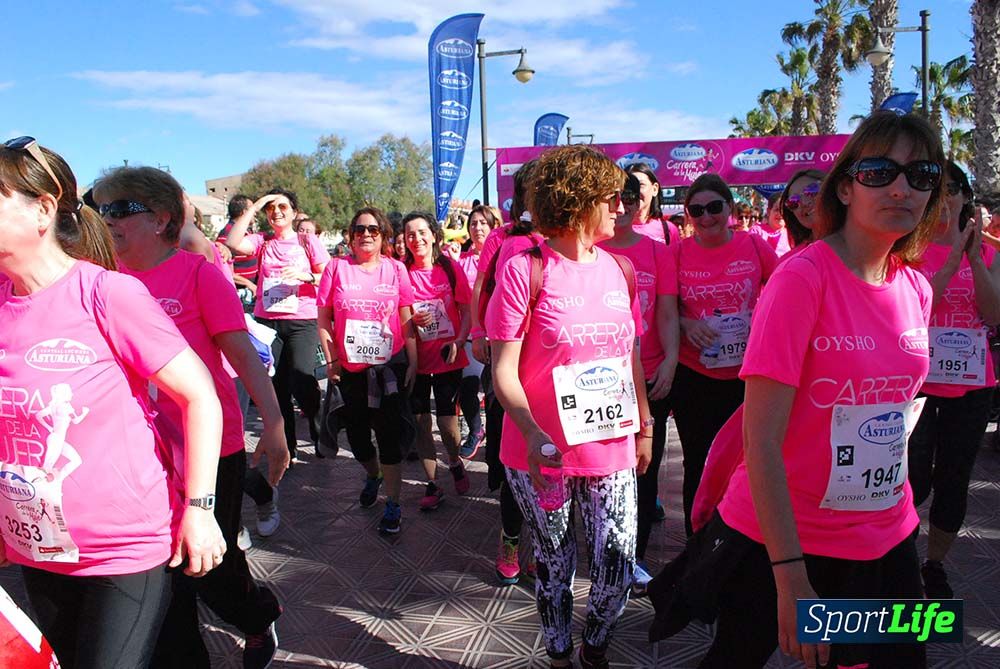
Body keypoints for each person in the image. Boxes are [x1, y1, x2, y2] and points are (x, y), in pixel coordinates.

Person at [657, 111, 943, 668]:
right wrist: (791, 578)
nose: (904, 188)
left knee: (901, 661)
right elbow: (759, 438)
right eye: (882, 171)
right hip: (785, 538)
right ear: (845, 186)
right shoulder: (801, 278)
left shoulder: (916, 287)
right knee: (736, 658)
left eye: (922, 174)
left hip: (887, 531)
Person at [0, 137, 226, 668]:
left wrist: (201, 509)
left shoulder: (107, 294)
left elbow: (201, 396)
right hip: (41, 545)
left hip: (125, 547)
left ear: (43, 209)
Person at [92, 166, 289, 668]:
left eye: (118, 209)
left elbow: (244, 357)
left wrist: (273, 423)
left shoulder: (198, 274)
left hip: (210, 449)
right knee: (169, 581)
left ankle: (259, 612)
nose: (105, 219)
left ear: (160, 219)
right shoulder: (102, 281)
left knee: (212, 572)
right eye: (100, 207)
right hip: (142, 456)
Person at [486, 145, 653, 669]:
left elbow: (630, 355)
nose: (621, 208)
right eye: (612, 198)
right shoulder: (525, 269)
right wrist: (534, 433)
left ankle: (595, 642)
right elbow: (503, 372)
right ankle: (560, 653)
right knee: (556, 568)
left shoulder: (621, 269)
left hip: (610, 446)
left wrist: (645, 425)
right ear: (578, 202)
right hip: (542, 453)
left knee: (616, 567)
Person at [665, 173, 778, 535]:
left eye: (714, 207)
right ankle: (696, 542)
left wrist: (761, 323)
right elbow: (663, 311)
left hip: (746, 378)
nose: (706, 216)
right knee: (698, 464)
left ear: (729, 208)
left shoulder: (755, 245)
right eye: (697, 210)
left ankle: (736, 541)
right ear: (687, 215)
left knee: (744, 462)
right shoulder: (678, 252)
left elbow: (784, 293)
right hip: (695, 375)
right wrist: (686, 323)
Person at [908, 161, 1000, 599]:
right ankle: (899, 552)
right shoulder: (909, 250)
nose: (943, 200)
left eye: (951, 191)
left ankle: (934, 565)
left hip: (971, 385)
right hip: (918, 383)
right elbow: (914, 313)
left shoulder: (990, 253)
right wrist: (946, 268)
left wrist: (975, 259)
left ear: (966, 197)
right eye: (934, 191)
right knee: (912, 476)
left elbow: (994, 315)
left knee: (953, 477)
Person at [598, 173, 678, 595]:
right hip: (602, 385)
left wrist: (672, 359)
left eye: (631, 196)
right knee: (608, 475)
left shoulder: (659, 252)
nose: (624, 204)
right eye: (616, 197)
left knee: (644, 472)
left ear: (643, 201)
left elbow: (666, 312)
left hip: (650, 377)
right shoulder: (593, 252)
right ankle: (607, 551)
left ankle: (635, 557)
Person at [316, 208, 417, 534]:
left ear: (383, 234)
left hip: (389, 367)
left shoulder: (396, 269)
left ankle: (393, 502)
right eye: (359, 229)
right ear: (350, 234)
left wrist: (413, 360)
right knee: (358, 439)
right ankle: (372, 474)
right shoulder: (336, 268)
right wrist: (332, 361)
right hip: (351, 370)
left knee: (388, 437)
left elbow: (406, 318)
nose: (366, 234)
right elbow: (324, 319)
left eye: (373, 229)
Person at [470, 160, 544, 585]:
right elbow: (483, 287)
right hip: (507, 359)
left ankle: (538, 546)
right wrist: (480, 330)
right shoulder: (501, 237)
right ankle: (511, 542)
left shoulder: (559, 234)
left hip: (550, 364)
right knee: (514, 457)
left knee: (548, 461)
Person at [224, 188, 331, 463]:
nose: (277, 212)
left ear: (294, 213)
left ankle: (320, 431)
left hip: (301, 321)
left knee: (302, 379)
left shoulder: (307, 241)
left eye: (283, 207)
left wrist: (305, 276)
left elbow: (328, 276)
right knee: (278, 387)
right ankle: (288, 446)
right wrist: (256, 204)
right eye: (271, 209)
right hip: (268, 323)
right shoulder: (262, 240)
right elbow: (234, 241)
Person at [402, 212, 473, 509]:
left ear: (433, 235)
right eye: (409, 234)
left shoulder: (450, 269)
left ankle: (454, 461)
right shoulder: (401, 272)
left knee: (446, 425)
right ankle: (433, 484)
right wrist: (410, 319)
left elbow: (468, 310)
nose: (416, 239)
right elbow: (395, 314)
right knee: (421, 423)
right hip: (415, 360)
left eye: (421, 232)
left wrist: (458, 341)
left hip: (447, 357)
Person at [457, 205, 500, 458]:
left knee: (497, 392)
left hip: (502, 336)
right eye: (473, 223)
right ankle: (476, 431)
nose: (478, 228)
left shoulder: (506, 256)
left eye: (484, 223)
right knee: (468, 387)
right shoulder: (460, 261)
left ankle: (498, 440)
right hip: (473, 336)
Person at [216, 195, 261, 311]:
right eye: (252, 209)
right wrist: (248, 284)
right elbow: (222, 268)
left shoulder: (246, 232)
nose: (255, 213)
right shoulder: (228, 235)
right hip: (241, 294)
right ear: (245, 212)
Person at [625, 163, 680, 245]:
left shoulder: (668, 230)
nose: (635, 191)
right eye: (629, 186)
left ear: (654, 189)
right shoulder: (613, 229)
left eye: (641, 185)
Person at [778, 168, 825, 260]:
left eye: (812, 191)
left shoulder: (858, 248)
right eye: (793, 201)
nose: (804, 203)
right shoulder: (790, 262)